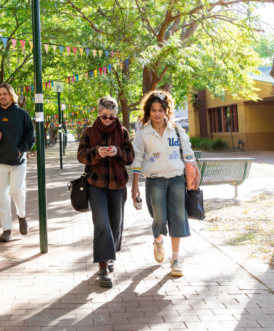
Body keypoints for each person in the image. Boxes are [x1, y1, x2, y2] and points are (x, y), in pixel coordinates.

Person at [130, 90, 201, 277]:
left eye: (161, 109)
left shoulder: (176, 130)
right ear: (148, 111)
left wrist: (194, 169)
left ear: (166, 110)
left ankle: (176, 259)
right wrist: (135, 185)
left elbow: (187, 151)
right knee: (159, 217)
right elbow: (137, 159)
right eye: (153, 110)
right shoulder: (143, 133)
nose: (157, 114)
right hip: (154, 181)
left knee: (178, 216)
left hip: (177, 179)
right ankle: (158, 241)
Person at [77, 96, 134, 288]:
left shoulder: (123, 131)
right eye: (104, 116)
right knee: (101, 222)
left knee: (115, 223)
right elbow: (81, 155)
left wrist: (118, 151)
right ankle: (103, 266)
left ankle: (110, 256)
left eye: (111, 116)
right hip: (96, 184)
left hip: (118, 185)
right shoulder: (90, 131)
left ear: (116, 115)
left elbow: (130, 157)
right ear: (98, 113)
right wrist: (96, 153)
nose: (108, 119)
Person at [0, 83, 36, 243]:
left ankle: (22, 216)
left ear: (11, 95)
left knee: (17, 191)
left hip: (18, 161)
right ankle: (6, 229)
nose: (2, 96)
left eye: (5, 94)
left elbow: (30, 136)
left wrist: (20, 149)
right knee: (1, 197)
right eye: (0, 94)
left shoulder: (22, 114)